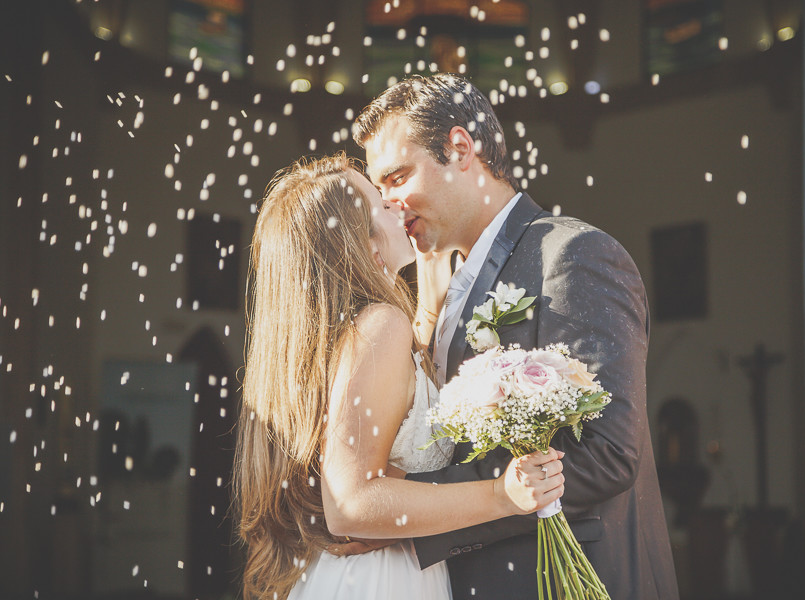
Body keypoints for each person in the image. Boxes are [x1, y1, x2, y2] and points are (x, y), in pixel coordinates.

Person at [351, 73, 679, 600]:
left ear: (460, 149)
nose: (388, 203)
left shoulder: (571, 256)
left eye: (396, 177)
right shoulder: (438, 286)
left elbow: (606, 452)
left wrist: (411, 517)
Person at [233, 152, 565, 600]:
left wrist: (429, 297)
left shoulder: (335, 339)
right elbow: (351, 505)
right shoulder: (380, 326)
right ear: (361, 243)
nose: (395, 202)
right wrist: (501, 495)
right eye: (378, 201)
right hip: (384, 581)